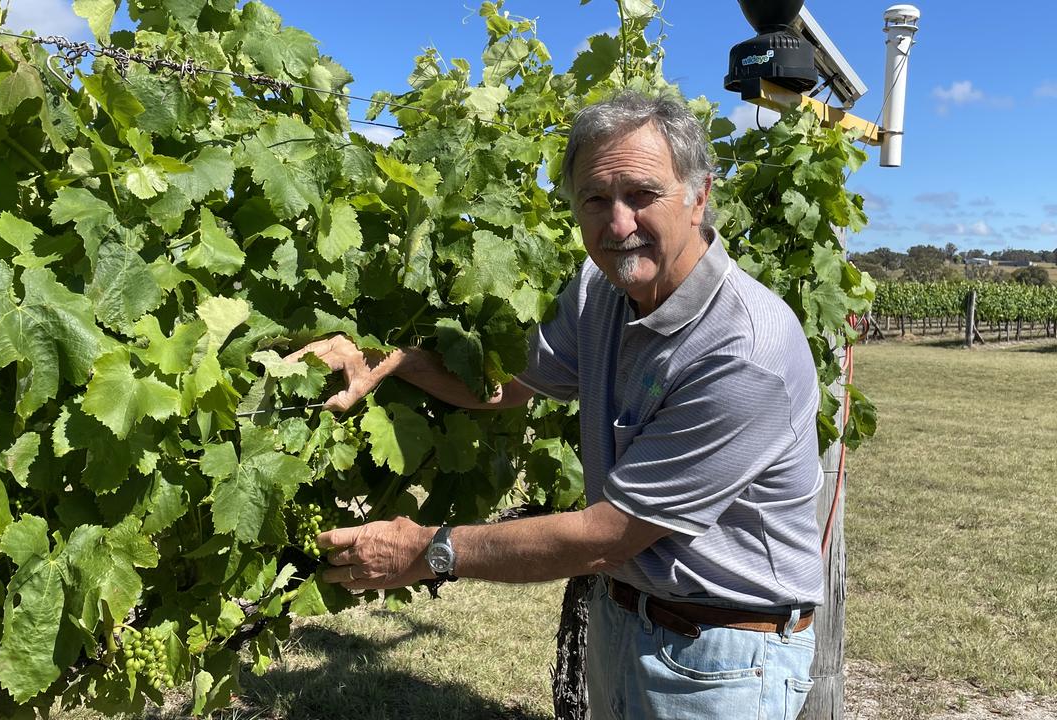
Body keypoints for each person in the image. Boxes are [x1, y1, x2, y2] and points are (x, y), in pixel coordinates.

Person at [291, 90, 824, 719]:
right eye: (596, 200)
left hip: (724, 657)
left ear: (699, 195)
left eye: (642, 195)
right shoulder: (602, 290)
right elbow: (508, 384)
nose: (618, 224)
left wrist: (429, 551)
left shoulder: (744, 350)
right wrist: (388, 362)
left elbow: (609, 535)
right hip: (626, 623)